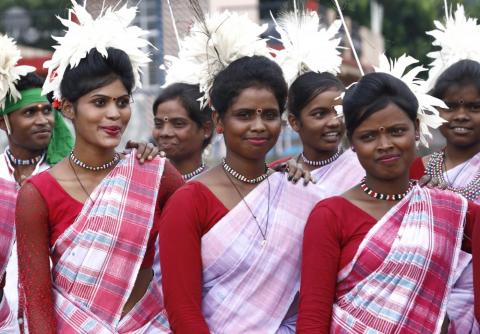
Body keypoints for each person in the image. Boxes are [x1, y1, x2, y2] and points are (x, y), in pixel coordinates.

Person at [15, 3, 183, 333]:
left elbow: (208, 230)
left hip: (153, 324)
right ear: (67, 109)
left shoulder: (153, 174)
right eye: (99, 102)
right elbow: (37, 301)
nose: (114, 114)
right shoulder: (38, 194)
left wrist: (277, 175)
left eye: (122, 102)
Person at [298, 72, 479, 333]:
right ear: (352, 141)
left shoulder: (450, 210)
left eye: (396, 131)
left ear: (416, 129)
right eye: (369, 136)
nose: (385, 145)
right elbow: (313, 319)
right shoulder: (330, 216)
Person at [159, 55, 322, 333]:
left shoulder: (300, 193)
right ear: (218, 121)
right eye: (244, 115)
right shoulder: (189, 202)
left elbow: (315, 300)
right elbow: (183, 311)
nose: (258, 126)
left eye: (269, 115)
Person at [409, 59, 480, 332]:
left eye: (474, 107)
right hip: (420, 302)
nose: (461, 115)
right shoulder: (415, 169)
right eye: (451, 106)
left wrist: (451, 207)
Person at [280, 71, 364, 195]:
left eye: (339, 112)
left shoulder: (362, 170)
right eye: (319, 114)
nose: (334, 122)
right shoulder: (281, 172)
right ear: (294, 122)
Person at [152, 83, 213, 180]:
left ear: (206, 129)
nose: (165, 133)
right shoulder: (148, 178)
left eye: (178, 124)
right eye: (158, 124)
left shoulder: (217, 187)